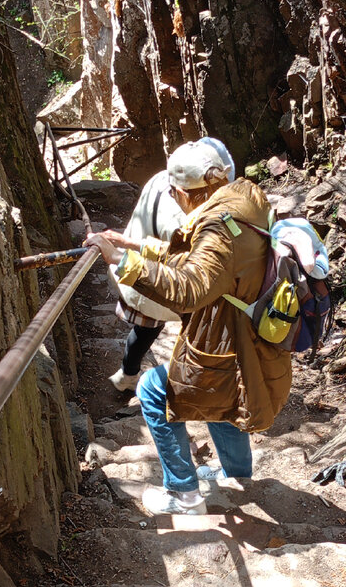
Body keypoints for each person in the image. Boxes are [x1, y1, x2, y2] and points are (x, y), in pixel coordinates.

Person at [85, 141, 292, 515]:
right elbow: (200, 261)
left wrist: (121, 261)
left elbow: (190, 288)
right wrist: (135, 245)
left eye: (172, 193)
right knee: (226, 402)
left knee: (151, 389)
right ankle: (237, 478)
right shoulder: (243, 200)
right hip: (249, 333)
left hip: (227, 341)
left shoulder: (216, 227)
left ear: (184, 192)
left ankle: (184, 495)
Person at [106, 137, 235, 394]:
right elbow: (189, 272)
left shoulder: (161, 179)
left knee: (144, 332)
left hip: (141, 278)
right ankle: (191, 384)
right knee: (199, 326)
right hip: (158, 284)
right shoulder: (186, 219)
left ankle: (127, 374)